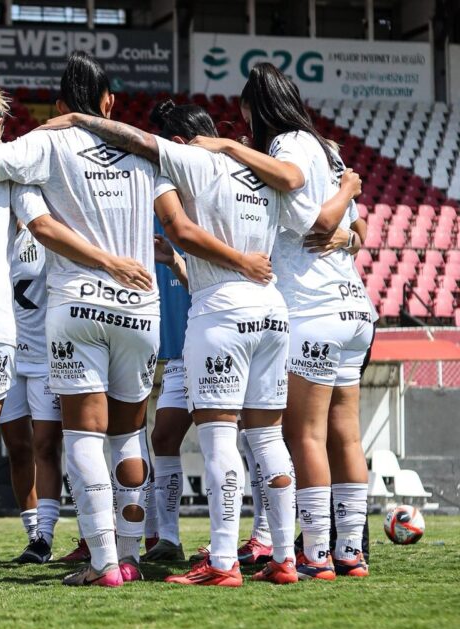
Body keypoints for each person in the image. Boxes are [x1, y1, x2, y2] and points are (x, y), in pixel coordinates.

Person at [0, 52, 272, 587]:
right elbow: (176, 224)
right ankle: (128, 554)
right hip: (139, 308)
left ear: (56, 105)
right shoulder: (145, 154)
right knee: (128, 437)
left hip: (76, 305)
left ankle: (103, 564)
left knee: (82, 436)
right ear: (109, 102)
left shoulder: (47, 142)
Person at [41, 97, 359, 586]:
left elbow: (179, 226)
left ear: (178, 140)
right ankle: (287, 557)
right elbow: (314, 218)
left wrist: (84, 120)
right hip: (273, 311)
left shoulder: (184, 164)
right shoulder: (263, 171)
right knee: (269, 438)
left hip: (221, 311)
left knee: (218, 439)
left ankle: (224, 560)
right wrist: (348, 218)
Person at [192, 63, 375, 579]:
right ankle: (349, 553)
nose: (243, 121)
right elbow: (355, 226)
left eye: (246, 110)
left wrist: (227, 148)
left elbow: (313, 211)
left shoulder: (286, 146)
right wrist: (347, 208)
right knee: (346, 434)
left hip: (312, 308)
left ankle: (316, 555)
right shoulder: (328, 147)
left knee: (306, 437)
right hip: (353, 306)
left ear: (258, 106)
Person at [7, 221, 63, 564]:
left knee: (45, 444)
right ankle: (32, 534)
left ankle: (45, 535)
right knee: (16, 447)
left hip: (45, 358)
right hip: (7, 356)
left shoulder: (43, 227)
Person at [141, 227, 192, 564]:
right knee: (163, 437)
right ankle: (169, 539)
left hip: (222, 335)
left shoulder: (199, 207)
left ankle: (264, 538)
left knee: (250, 438)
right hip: (179, 353)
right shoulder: (146, 211)